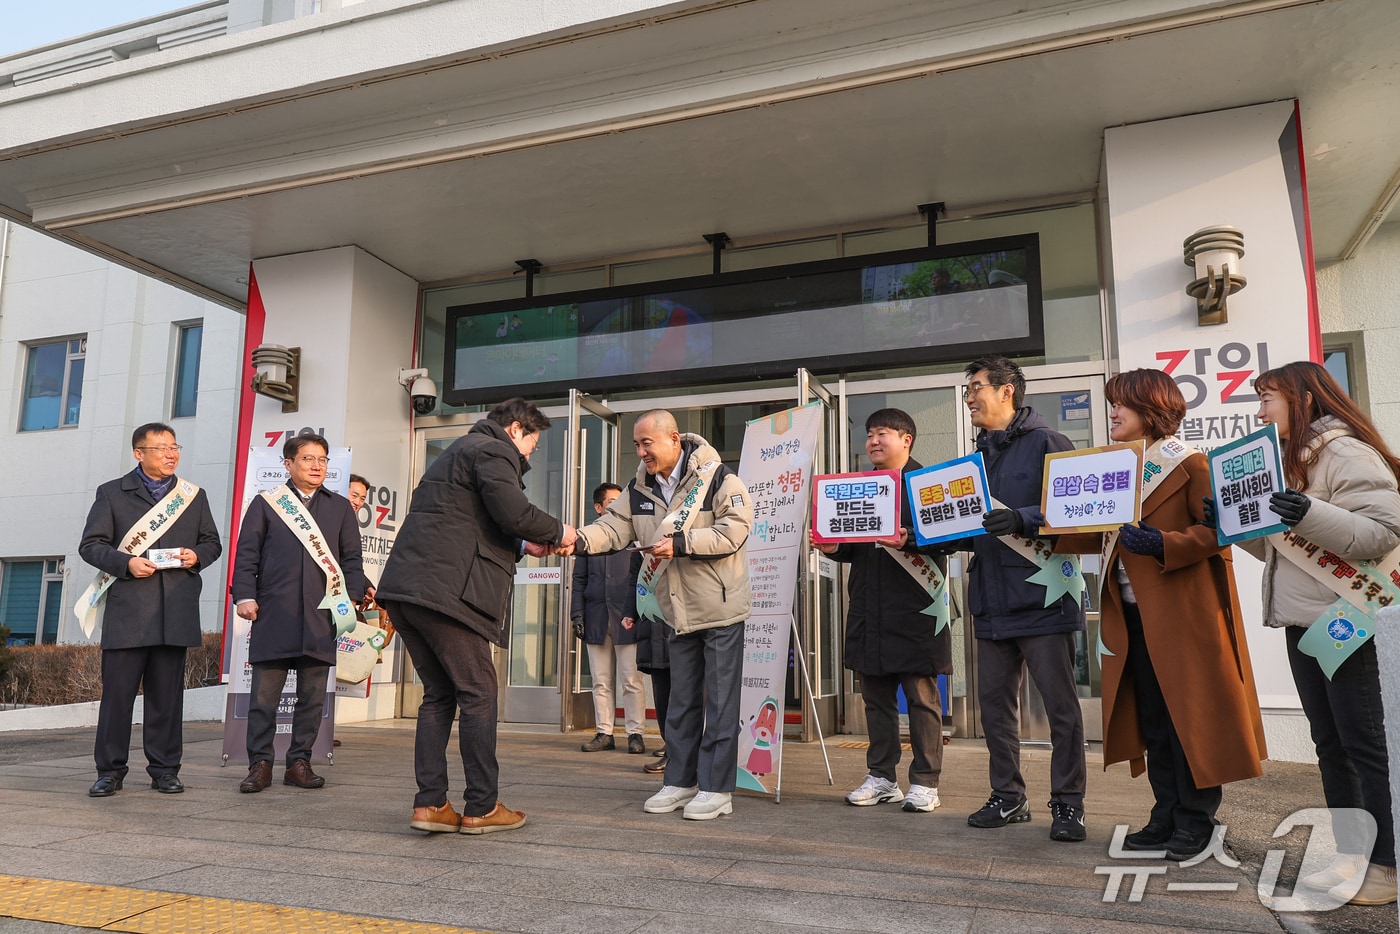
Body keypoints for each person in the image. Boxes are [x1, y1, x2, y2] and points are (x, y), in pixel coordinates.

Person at [1056, 369, 1266, 861]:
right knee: (1153, 720)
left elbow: (1223, 531)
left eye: (1121, 404)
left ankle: (1197, 820)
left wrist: (1165, 543)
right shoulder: (1116, 468)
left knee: (1187, 719)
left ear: (1151, 408)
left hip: (1185, 617)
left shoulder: (1191, 464)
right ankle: (1165, 813)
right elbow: (1093, 532)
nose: (1111, 412)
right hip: (1132, 618)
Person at [1214, 361, 1400, 905]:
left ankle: (1386, 866)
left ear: (1301, 398)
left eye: (1267, 398)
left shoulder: (1346, 454)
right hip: (1302, 623)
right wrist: (1233, 523)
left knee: (1365, 745)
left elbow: (1384, 533)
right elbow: (1285, 547)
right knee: (1331, 744)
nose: (1259, 410)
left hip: (1349, 622)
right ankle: (1351, 856)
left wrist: (1306, 512)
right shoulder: (1291, 461)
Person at [376, 398, 576, 835]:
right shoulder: (492, 449)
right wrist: (562, 532)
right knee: (479, 692)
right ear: (517, 429)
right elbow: (512, 510)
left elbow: (472, 521)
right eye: (533, 443)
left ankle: (430, 805)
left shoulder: (457, 453)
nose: (531, 454)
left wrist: (525, 545)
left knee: (440, 695)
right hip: (446, 593)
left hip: (410, 589)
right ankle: (482, 806)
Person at [573, 410, 753, 821]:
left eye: (646, 443)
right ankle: (680, 780)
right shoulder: (639, 488)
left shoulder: (720, 477)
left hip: (720, 609)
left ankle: (716, 788)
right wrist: (579, 540)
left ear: (674, 438)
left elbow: (737, 527)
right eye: (636, 444)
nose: (640, 452)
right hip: (674, 612)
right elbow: (614, 526)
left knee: (721, 704)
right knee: (681, 703)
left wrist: (683, 542)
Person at [957, 356, 1088, 842]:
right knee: (994, 708)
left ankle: (1069, 804)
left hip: (1041, 596)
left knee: (1060, 708)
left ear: (1007, 390)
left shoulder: (1048, 442)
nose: (969, 397)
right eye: (968, 390)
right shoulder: (976, 455)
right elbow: (974, 525)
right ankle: (1008, 797)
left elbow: (1076, 506)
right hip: (990, 600)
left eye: (975, 388)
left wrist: (1024, 518)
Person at [812, 409, 953, 813]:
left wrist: (910, 539)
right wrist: (833, 547)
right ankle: (882, 776)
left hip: (916, 607)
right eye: (870, 434)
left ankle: (926, 781)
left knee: (921, 697)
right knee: (875, 698)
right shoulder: (860, 487)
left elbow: (952, 537)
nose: (873, 441)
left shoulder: (928, 485)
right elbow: (853, 548)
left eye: (883, 434)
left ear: (906, 440)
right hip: (868, 606)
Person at [78, 423, 222, 797]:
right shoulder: (112, 493)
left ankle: (165, 770)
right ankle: (109, 771)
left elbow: (212, 542)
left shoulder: (193, 496)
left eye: (174, 447)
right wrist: (126, 564)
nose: (171, 454)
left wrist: (197, 556)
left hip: (175, 610)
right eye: (161, 448)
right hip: (129, 613)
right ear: (139, 453)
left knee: (167, 700)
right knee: (117, 700)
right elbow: (91, 545)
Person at [233, 434, 365, 793]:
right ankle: (260, 764)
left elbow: (352, 559)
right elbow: (247, 554)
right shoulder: (267, 503)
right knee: (263, 699)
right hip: (273, 613)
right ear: (288, 464)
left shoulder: (339, 508)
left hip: (321, 617)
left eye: (322, 459)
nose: (316, 465)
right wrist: (244, 595)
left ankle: (299, 763)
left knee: (312, 698)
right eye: (307, 459)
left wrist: (350, 598)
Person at [572, 483, 647, 755]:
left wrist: (638, 612)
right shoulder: (589, 538)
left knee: (631, 679)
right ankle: (604, 732)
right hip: (595, 617)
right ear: (599, 507)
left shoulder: (633, 537)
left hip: (627, 618)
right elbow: (578, 579)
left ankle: (635, 733)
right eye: (612, 502)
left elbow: (642, 580)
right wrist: (576, 613)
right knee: (601, 680)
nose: (618, 507)